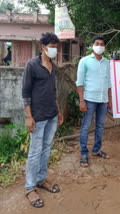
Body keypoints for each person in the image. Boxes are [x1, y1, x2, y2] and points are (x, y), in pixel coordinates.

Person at [22, 32, 63, 208]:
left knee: (46, 149)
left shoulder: (52, 65)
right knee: (34, 152)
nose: (55, 50)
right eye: (52, 47)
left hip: (52, 115)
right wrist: (29, 116)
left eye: (56, 47)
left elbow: (53, 91)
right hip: (37, 117)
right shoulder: (31, 65)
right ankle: (30, 188)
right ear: (43, 47)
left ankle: (41, 179)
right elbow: (25, 93)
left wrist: (59, 111)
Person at [76, 36, 112, 168]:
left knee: (100, 126)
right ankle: (84, 154)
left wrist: (109, 100)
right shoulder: (84, 61)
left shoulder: (106, 62)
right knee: (86, 126)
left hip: (103, 100)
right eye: (97, 44)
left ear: (105, 47)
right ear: (92, 45)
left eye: (102, 44)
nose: (100, 46)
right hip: (89, 99)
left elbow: (108, 82)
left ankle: (96, 150)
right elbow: (80, 82)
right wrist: (81, 101)